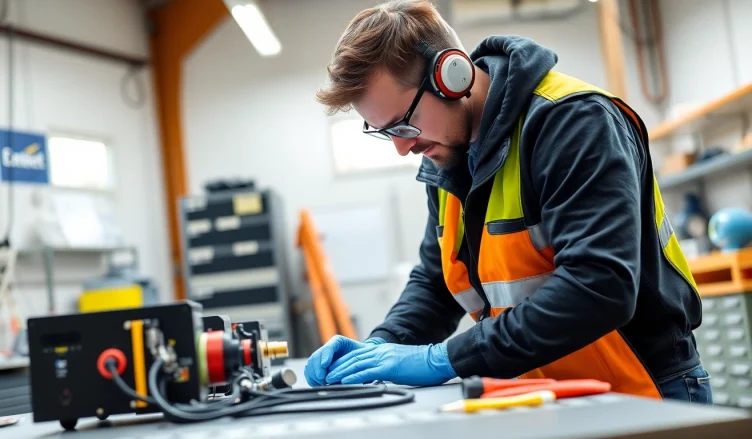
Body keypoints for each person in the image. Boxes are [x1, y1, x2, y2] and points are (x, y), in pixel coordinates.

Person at [304, 0, 711, 404]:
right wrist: (379, 348)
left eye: (404, 124)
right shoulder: (447, 153)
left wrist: (443, 358)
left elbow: (599, 285)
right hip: (545, 393)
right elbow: (437, 284)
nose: (402, 147)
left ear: (452, 75)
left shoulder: (573, 122)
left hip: (642, 390)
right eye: (384, 132)